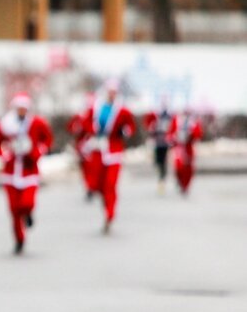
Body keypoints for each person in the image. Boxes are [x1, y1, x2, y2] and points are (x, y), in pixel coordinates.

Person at [0, 93, 53, 254]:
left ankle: (28, 213)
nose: (21, 111)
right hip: (10, 172)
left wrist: (38, 151)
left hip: (29, 169)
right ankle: (19, 239)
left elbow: (47, 140)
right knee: (14, 209)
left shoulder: (36, 123)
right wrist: (4, 154)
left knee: (27, 202)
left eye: (24, 108)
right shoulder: (5, 124)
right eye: (19, 108)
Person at [80, 79, 136, 234]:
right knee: (98, 185)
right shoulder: (96, 107)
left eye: (114, 92)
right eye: (109, 92)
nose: (111, 95)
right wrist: (93, 129)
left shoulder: (122, 110)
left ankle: (110, 214)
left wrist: (123, 132)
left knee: (111, 184)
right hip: (98, 149)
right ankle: (106, 205)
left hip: (114, 151)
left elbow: (130, 127)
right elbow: (85, 123)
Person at [67, 93, 95, 200]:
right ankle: (89, 186)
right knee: (85, 167)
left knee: (93, 166)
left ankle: (93, 185)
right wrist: (76, 128)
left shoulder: (95, 114)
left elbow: (95, 128)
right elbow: (70, 127)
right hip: (81, 145)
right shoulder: (79, 116)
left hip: (92, 144)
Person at [144, 99, 175, 194]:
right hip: (158, 143)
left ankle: (162, 179)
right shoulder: (155, 116)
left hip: (165, 143)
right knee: (158, 162)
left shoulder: (169, 116)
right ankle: (161, 177)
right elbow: (149, 127)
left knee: (164, 161)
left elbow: (172, 128)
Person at [171, 108, 203, 195]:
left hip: (188, 148)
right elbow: (171, 132)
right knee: (178, 167)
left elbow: (198, 134)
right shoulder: (177, 120)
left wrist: (191, 135)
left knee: (188, 168)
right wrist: (174, 137)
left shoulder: (193, 122)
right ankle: (180, 181)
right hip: (179, 147)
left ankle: (185, 186)